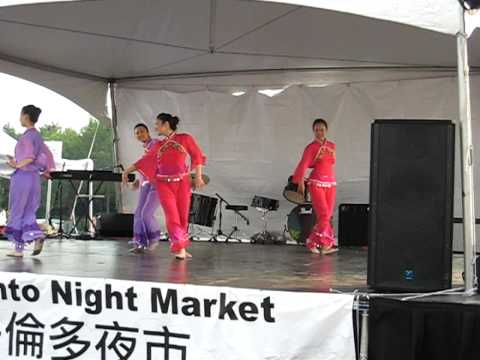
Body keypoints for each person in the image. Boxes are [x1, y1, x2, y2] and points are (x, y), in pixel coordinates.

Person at [122, 113, 206, 259]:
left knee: (182, 217)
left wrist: (198, 177)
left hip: (182, 183)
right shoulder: (159, 145)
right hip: (163, 184)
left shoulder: (185, 139)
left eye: (157, 124)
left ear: (166, 124)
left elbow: (197, 156)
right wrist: (127, 171)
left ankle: (182, 246)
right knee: (172, 216)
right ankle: (178, 248)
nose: (155, 126)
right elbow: (145, 160)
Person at [5, 105, 55, 257]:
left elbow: (29, 157)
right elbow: (46, 155)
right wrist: (46, 170)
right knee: (28, 211)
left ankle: (22, 245)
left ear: (25, 116)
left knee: (18, 210)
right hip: (33, 178)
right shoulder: (37, 136)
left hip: (23, 177)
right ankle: (22, 246)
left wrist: (16, 164)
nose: (19, 118)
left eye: (20, 115)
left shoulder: (27, 136)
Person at [292, 118, 338, 255]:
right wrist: (300, 183)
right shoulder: (311, 147)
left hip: (331, 182)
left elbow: (331, 163)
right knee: (324, 214)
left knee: (327, 215)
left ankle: (315, 242)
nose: (319, 132)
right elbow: (303, 165)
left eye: (322, 129)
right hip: (316, 182)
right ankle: (324, 244)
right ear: (313, 131)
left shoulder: (332, 145)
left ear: (326, 130)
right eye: (316, 130)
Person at [128, 123, 162, 253]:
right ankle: (139, 243)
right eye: (137, 133)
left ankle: (153, 238)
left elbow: (150, 161)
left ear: (148, 132)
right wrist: (138, 180)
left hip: (157, 183)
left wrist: (129, 171)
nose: (139, 134)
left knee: (146, 214)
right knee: (138, 214)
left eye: (142, 131)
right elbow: (147, 165)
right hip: (145, 183)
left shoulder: (155, 143)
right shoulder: (146, 147)